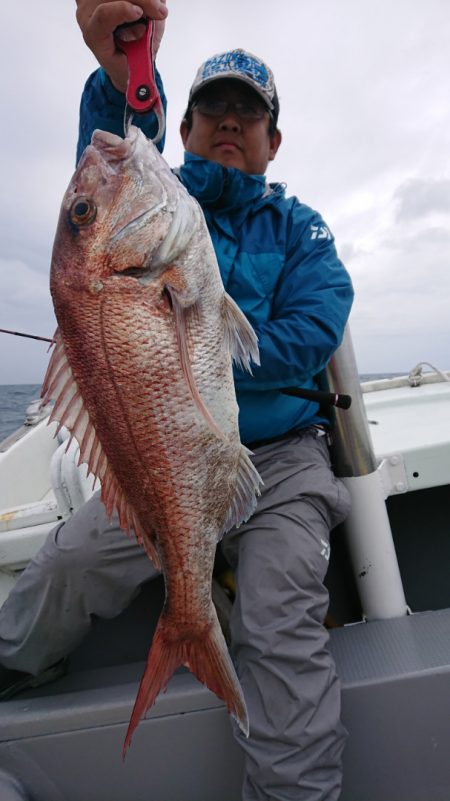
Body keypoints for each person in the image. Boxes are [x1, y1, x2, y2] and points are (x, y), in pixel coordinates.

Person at [0, 2, 354, 799]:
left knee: (279, 617)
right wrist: (120, 70)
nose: (229, 122)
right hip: (164, 460)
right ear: (182, 127)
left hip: (283, 462)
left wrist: (198, 343)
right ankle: (12, 663)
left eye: (248, 114)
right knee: (67, 562)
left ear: (273, 140)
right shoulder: (154, 193)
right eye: (212, 109)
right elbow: (118, 137)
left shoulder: (302, 231)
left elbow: (315, 327)